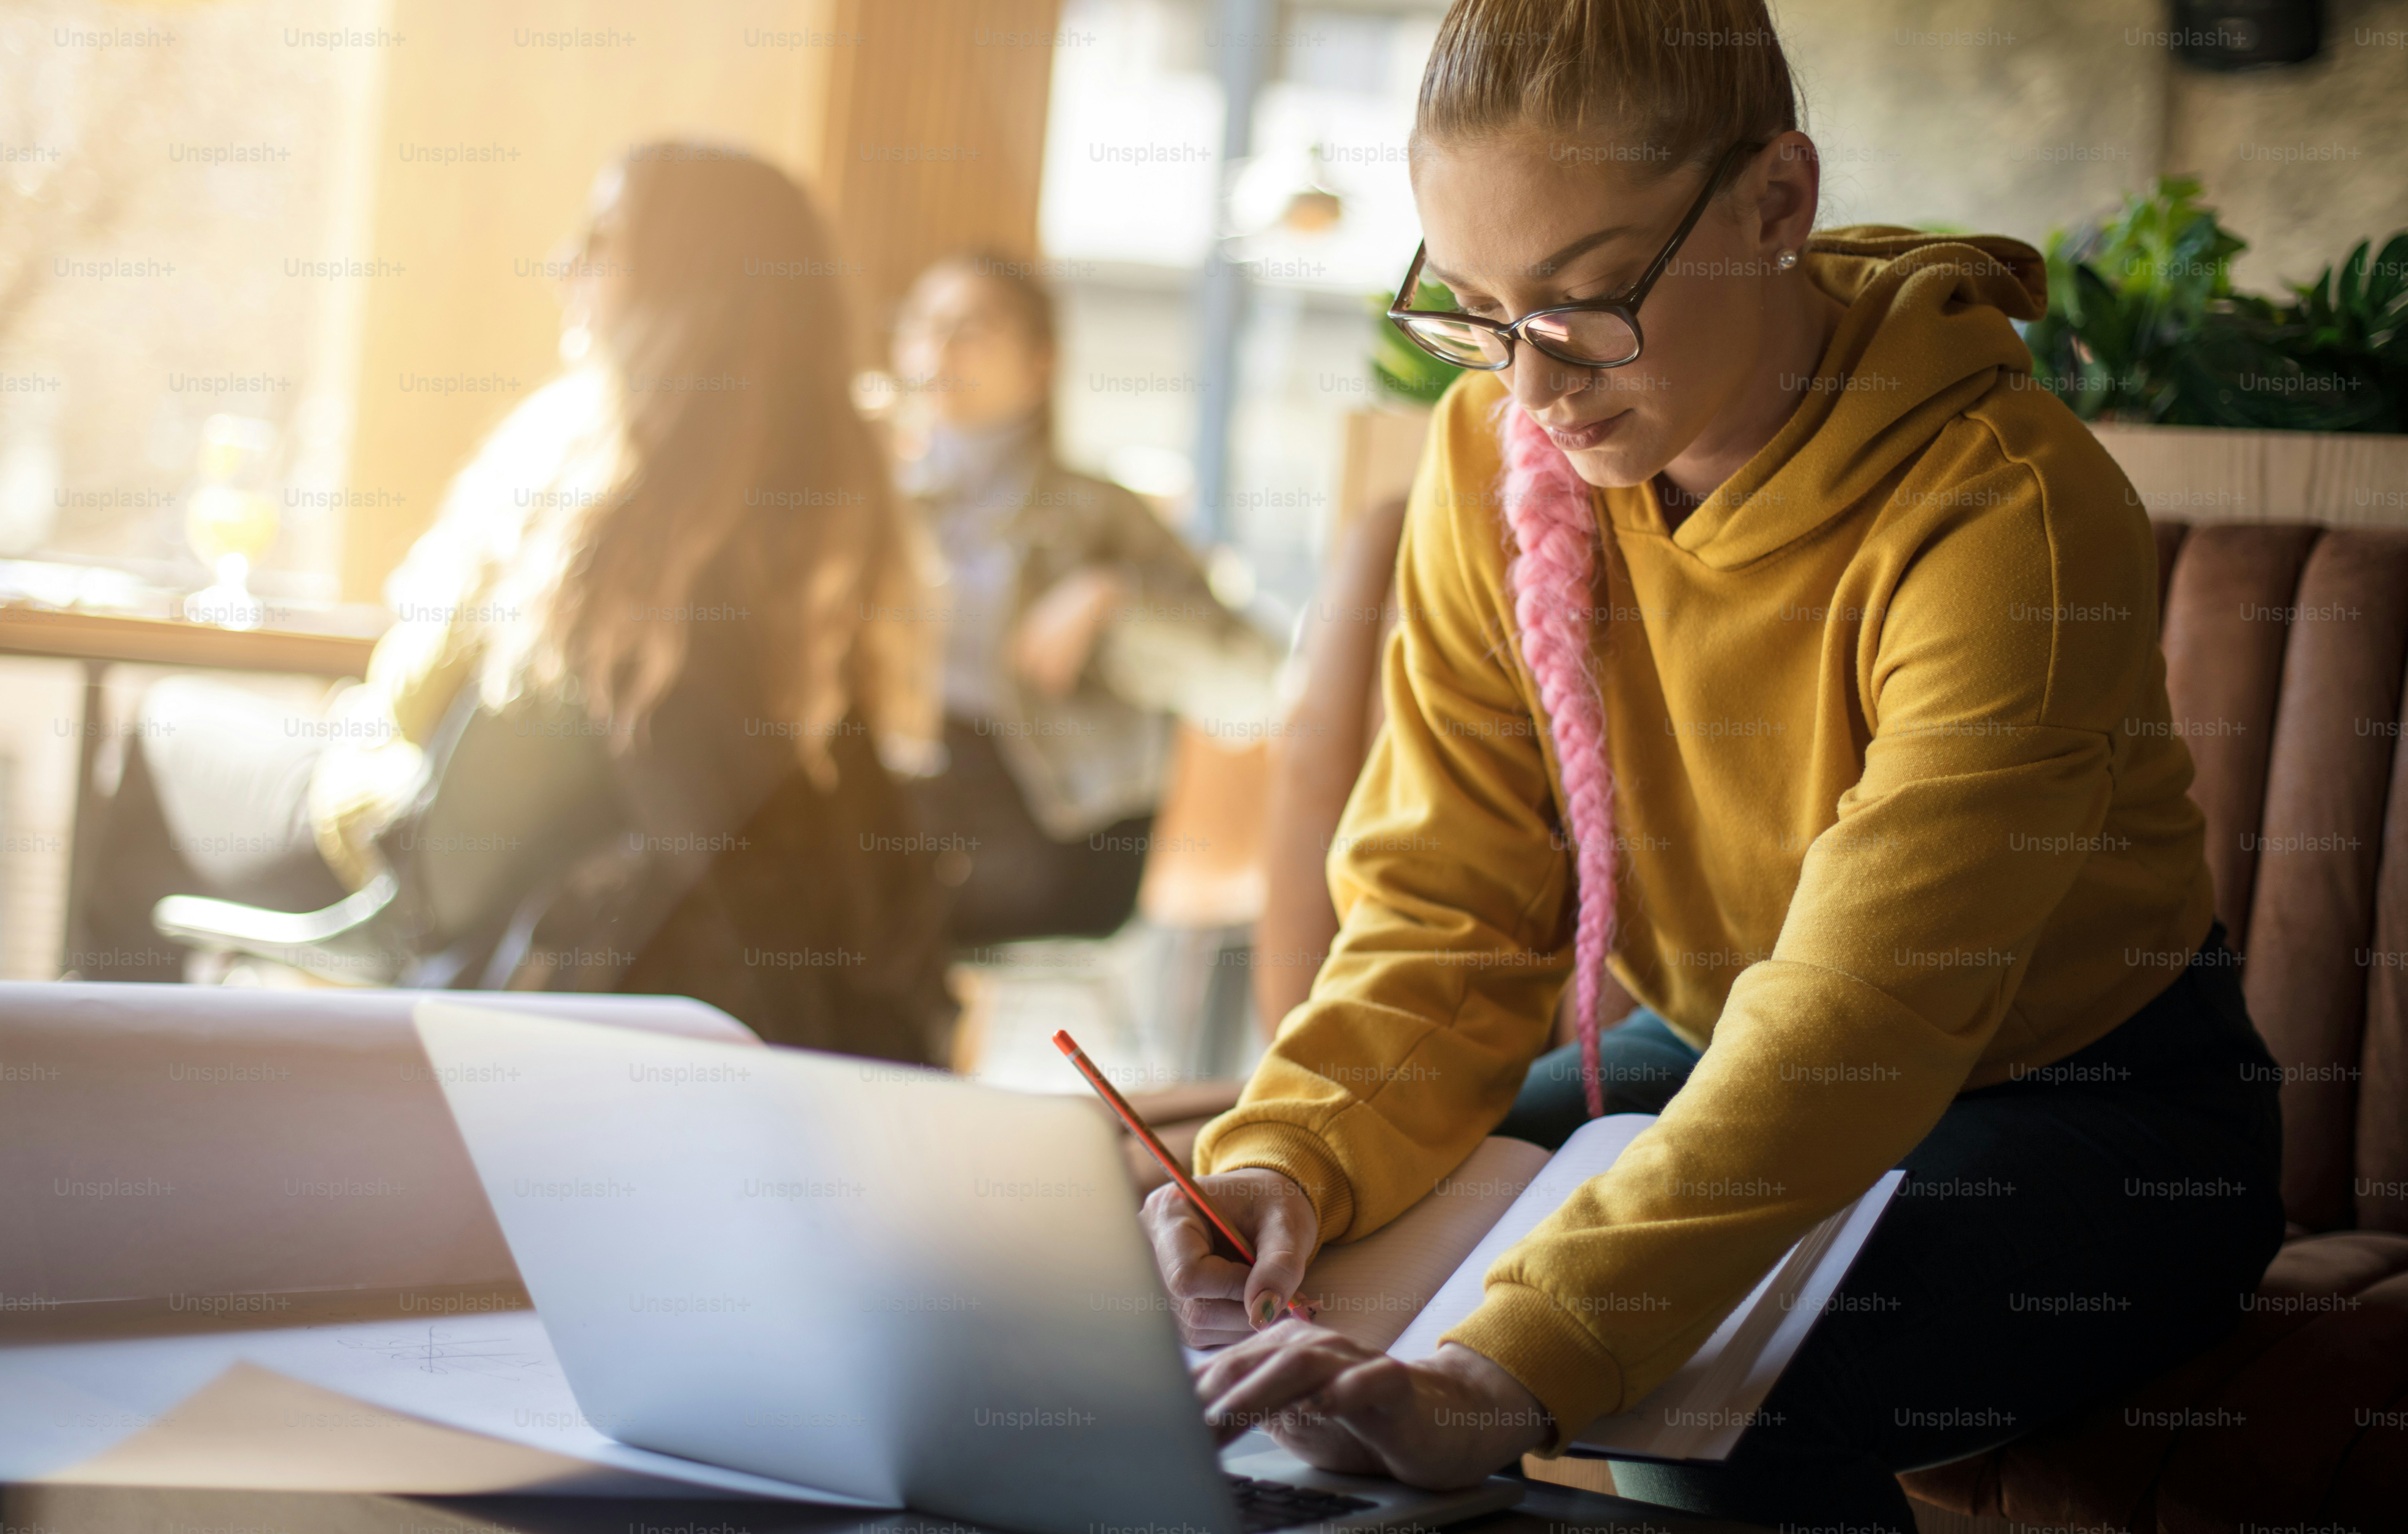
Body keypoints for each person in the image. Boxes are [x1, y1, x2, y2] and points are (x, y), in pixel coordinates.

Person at [1140, 3, 2286, 1529]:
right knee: (1307, 1276)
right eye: (1476, 312)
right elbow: (1446, 918)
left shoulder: (2005, 509)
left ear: (1776, 203)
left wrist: (1516, 1363)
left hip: (2094, 1110)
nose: (1532, 390)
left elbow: (1862, 1015)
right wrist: (1284, 1165)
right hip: (1720, 1050)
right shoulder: (1496, 461)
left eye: (1589, 299)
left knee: (1701, 1381)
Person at [78, 142, 955, 1058]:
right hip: (519, 888)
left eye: (603, 240)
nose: (563, 266)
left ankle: (93, 1104)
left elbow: (415, 694)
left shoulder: (585, 467)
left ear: (685, 276)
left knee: (163, 726)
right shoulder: (839, 506)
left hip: (410, 863)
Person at [889, 253, 1280, 947]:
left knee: (867, 902)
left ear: (1041, 362)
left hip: (1056, 826)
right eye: (922, 324)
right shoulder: (873, 503)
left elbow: (1255, 679)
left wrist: (1114, 601)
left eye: (970, 326)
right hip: (906, 798)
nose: (938, 348)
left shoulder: (1103, 515)